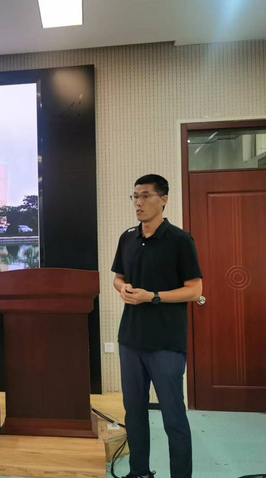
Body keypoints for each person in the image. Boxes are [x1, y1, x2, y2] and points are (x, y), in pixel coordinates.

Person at [111, 174, 202, 478]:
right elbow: (118, 278)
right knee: (134, 413)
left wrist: (153, 297)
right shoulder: (127, 237)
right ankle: (139, 472)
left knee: (173, 416)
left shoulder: (180, 240)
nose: (138, 202)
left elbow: (195, 290)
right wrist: (123, 288)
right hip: (130, 339)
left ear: (163, 199)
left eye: (145, 196)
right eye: (135, 196)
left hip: (166, 343)